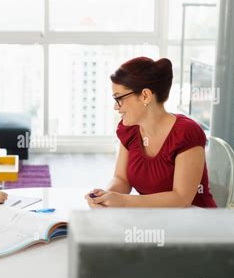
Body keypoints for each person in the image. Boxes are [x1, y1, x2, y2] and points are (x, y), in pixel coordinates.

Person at [85, 57, 217, 208]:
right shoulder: (129, 130)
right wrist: (105, 197)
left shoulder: (186, 133)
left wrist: (121, 201)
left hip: (196, 223)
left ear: (145, 96)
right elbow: (122, 179)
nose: (116, 107)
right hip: (155, 220)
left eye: (119, 98)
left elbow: (181, 199)